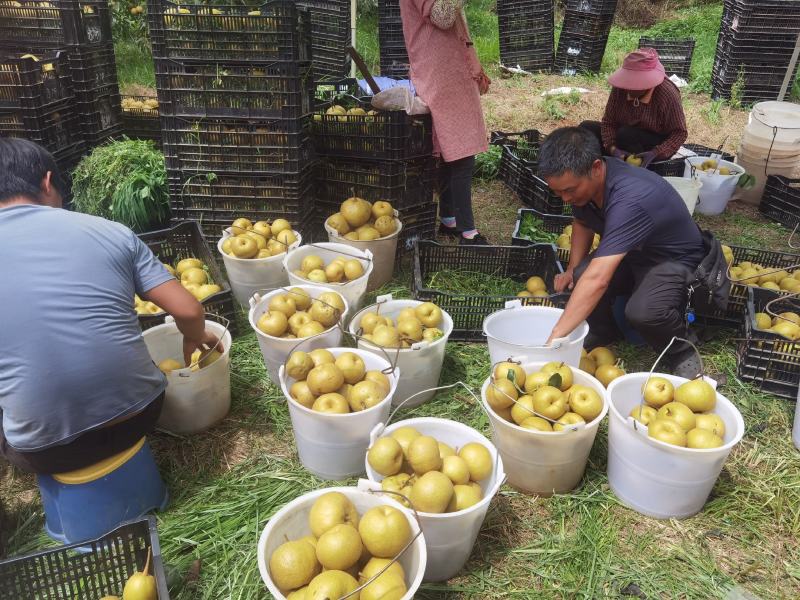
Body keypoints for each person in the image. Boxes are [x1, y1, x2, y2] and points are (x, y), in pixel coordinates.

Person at [0, 138, 220, 475]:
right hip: (141, 415)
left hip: (42, 452)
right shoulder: (110, 232)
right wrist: (193, 337)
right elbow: (189, 311)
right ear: (47, 183)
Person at [539, 127, 707, 377]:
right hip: (636, 251)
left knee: (643, 312)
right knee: (583, 274)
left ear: (596, 167)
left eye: (570, 190)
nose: (564, 198)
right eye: (557, 191)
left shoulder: (631, 198)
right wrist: (573, 269)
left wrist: (554, 338)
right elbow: (583, 223)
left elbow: (598, 279)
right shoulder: (587, 188)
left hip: (673, 259)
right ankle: (604, 330)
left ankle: (682, 352)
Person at [400, 0, 491, 245]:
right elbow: (442, 15)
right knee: (461, 150)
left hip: (447, 69)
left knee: (452, 148)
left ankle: (450, 218)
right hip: (441, 73)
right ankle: (467, 231)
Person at [580, 48, 687, 168]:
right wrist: (612, 148)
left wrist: (655, 153)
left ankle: (637, 169)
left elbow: (679, 133)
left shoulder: (667, 93)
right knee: (585, 128)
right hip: (623, 140)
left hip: (653, 144)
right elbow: (608, 122)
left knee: (626, 134)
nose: (630, 88)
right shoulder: (620, 88)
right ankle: (606, 165)